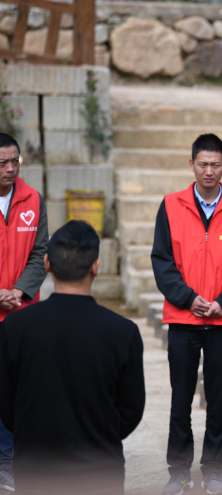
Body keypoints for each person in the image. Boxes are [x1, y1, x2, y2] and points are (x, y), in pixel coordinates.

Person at [0, 220, 145, 495]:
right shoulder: (123, 332)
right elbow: (131, 410)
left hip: (34, 471)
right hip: (100, 472)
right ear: (96, 266)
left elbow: (7, 406)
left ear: (46, 263)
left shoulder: (15, 328)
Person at [151, 134, 222, 495]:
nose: (208, 171)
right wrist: (187, 298)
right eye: (202, 164)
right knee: (180, 397)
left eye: (215, 164)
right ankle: (179, 472)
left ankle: (213, 470)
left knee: (218, 396)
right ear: (192, 164)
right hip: (183, 318)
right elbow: (162, 259)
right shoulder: (171, 205)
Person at [0, 132, 48, 492]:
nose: (10, 168)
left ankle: (10, 461)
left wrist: (18, 291)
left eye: (15, 161)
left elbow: (40, 251)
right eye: (2, 162)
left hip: (21, 312)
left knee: (16, 390)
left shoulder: (33, 198)